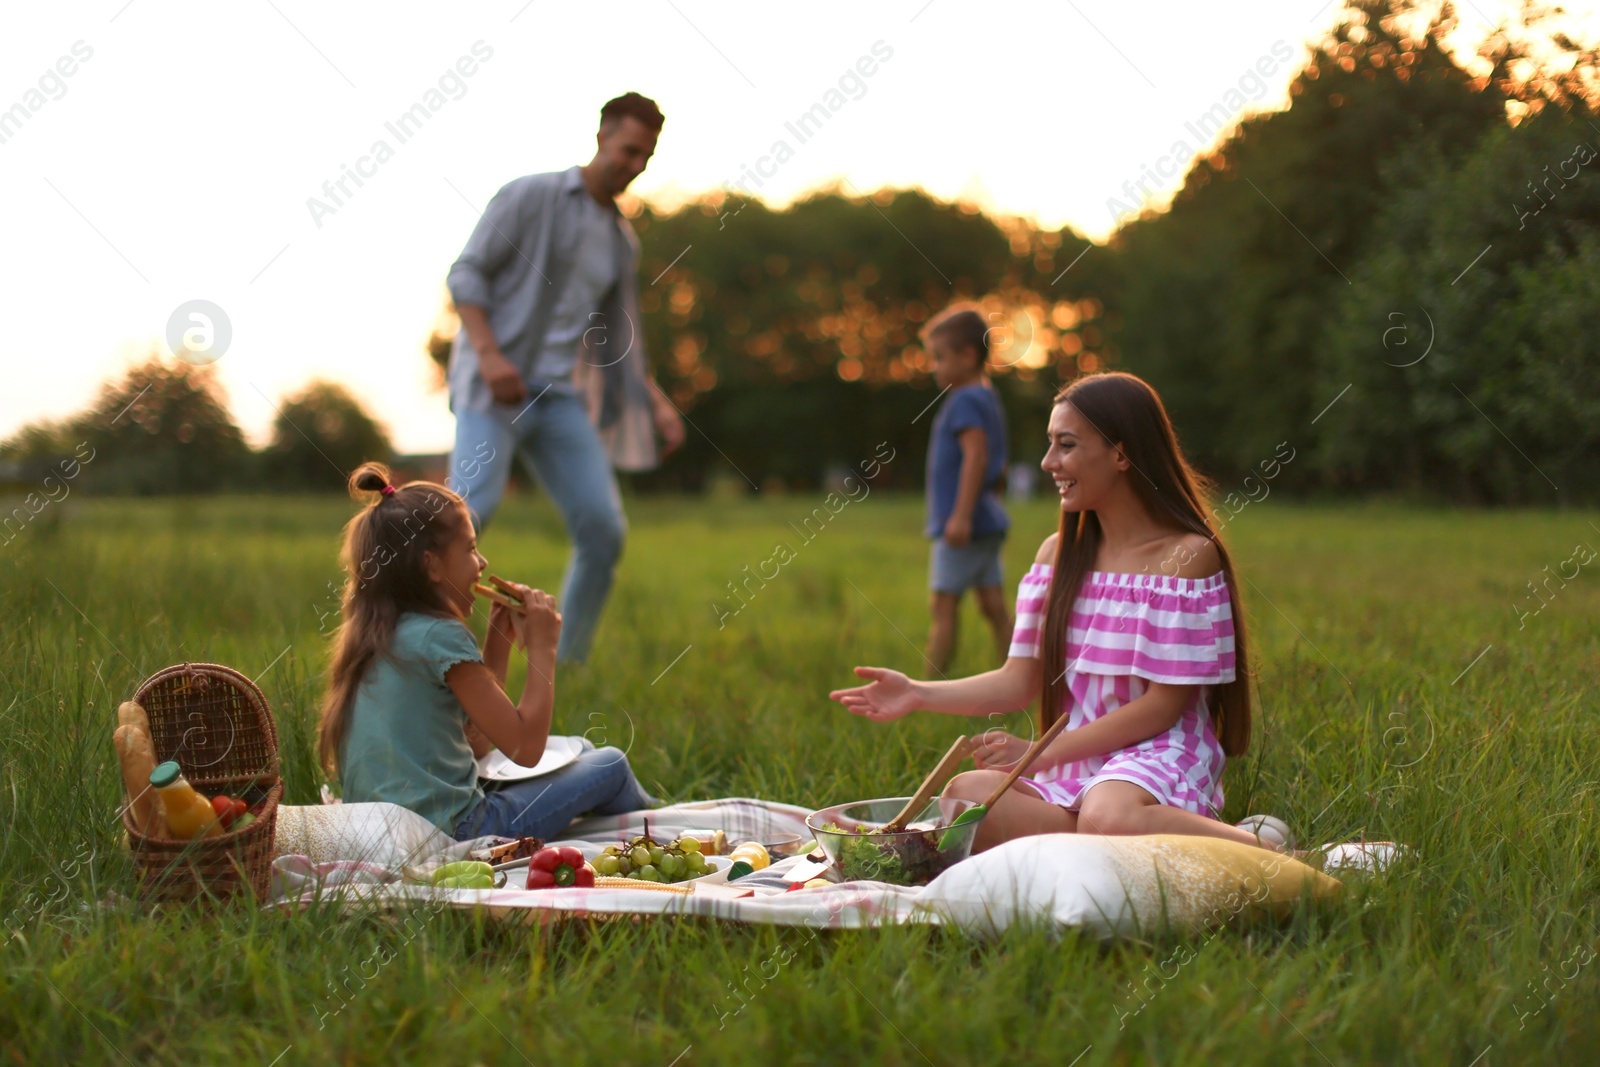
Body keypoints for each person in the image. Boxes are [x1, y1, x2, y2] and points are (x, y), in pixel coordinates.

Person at [830, 372, 1294, 855]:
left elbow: (1163, 706)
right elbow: (1018, 680)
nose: (1049, 462)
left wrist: (1036, 756)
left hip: (1158, 755)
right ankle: (1136, 841)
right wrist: (916, 693)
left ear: (1120, 453)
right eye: (1051, 445)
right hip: (1076, 763)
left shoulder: (1186, 555)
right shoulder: (1058, 556)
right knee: (965, 799)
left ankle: (1273, 854)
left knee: (1106, 812)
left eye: (1066, 445)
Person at [444, 92, 685, 665]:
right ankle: (428, 652)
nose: (634, 165)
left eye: (646, 157)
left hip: (559, 397)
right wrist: (491, 356)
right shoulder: (530, 195)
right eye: (628, 149)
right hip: (493, 387)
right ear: (602, 136)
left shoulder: (621, 240)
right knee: (462, 517)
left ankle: (562, 662)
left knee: (604, 527)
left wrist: (655, 402)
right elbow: (467, 274)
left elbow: (616, 337)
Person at [316, 462, 657, 841]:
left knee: (584, 754)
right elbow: (525, 749)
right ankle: (655, 832)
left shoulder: (376, 635)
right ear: (430, 565)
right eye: (471, 548)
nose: (482, 563)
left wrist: (498, 640)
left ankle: (618, 828)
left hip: (383, 833)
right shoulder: (440, 635)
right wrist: (543, 648)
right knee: (609, 764)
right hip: (459, 829)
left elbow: (476, 743)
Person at [920, 305, 1012, 673]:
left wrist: (959, 516)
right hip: (987, 522)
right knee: (992, 604)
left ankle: (928, 685)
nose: (934, 367)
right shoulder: (987, 396)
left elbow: (976, 456)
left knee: (942, 607)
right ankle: (1017, 672)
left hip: (964, 527)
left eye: (939, 358)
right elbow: (997, 462)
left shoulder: (965, 400)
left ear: (968, 355)